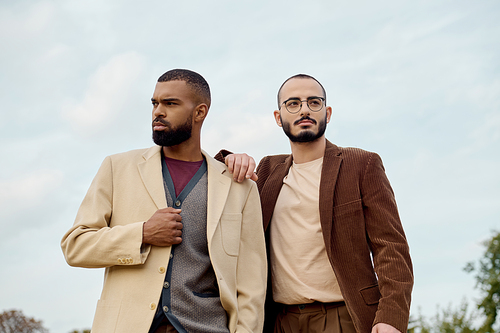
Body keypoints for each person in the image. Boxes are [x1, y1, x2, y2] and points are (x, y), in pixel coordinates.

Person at [61, 69, 267, 333]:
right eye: (154, 103)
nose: (158, 111)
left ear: (200, 112)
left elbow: (251, 283)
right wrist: (143, 233)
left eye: (170, 103)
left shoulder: (238, 187)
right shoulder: (117, 168)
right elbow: (75, 246)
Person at [222, 74, 413, 333]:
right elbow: (220, 201)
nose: (304, 110)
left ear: (327, 112)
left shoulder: (361, 164)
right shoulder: (267, 170)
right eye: (293, 103)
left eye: (314, 102)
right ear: (278, 117)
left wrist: (391, 317)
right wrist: (229, 159)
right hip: (279, 321)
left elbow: (391, 248)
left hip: (343, 318)